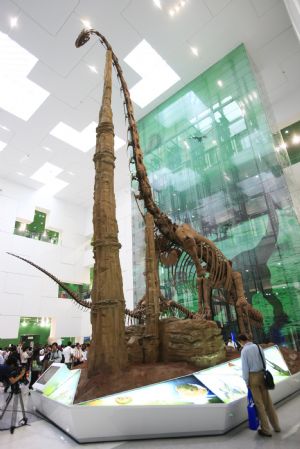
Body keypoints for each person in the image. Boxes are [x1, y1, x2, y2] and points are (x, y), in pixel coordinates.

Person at [237, 334, 281, 437]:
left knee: (259, 404)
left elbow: (245, 368)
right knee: (268, 403)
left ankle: (266, 429)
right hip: (262, 375)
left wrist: (246, 381)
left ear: (241, 341)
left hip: (253, 378)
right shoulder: (258, 346)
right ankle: (276, 426)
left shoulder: (244, 351)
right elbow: (264, 362)